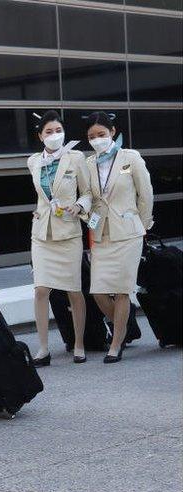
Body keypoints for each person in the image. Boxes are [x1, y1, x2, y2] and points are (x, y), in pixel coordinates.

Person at [83, 111, 154, 364]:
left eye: (101, 134)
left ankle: (116, 344)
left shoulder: (130, 157)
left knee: (122, 291)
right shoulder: (88, 163)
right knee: (99, 292)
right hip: (101, 233)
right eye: (92, 136)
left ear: (112, 132)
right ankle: (124, 324)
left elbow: (146, 195)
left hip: (128, 233)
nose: (97, 140)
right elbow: (89, 197)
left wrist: (142, 226)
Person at [26, 110, 93, 365]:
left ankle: (78, 344)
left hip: (68, 232)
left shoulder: (75, 157)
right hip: (42, 233)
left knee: (74, 291)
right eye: (49, 132)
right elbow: (41, 196)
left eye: (58, 131)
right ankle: (43, 349)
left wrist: (79, 205)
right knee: (41, 290)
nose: (54, 135)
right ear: (40, 136)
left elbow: (87, 193)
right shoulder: (33, 161)